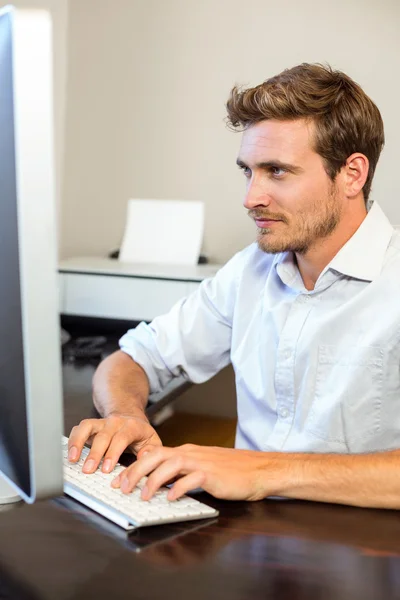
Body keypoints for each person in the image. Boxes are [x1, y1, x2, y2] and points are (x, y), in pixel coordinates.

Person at [68, 63, 400, 509]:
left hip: (361, 555)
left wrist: (262, 471)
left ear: (352, 174)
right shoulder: (251, 271)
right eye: (249, 171)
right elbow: (131, 360)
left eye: (277, 171)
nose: (251, 197)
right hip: (250, 535)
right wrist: (125, 416)